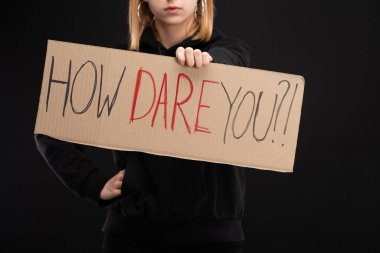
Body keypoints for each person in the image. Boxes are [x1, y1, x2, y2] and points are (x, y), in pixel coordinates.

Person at [34, 0, 250, 252]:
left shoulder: (229, 50)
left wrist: (210, 61)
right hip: (131, 235)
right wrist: (92, 183)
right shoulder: (119, 62)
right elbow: (49, 127)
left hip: (213, 238)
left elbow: (233, 59)